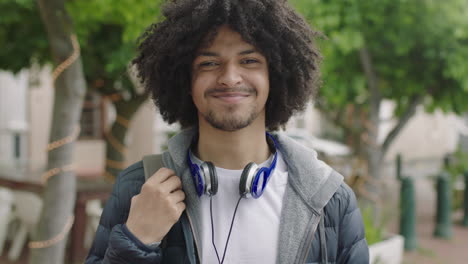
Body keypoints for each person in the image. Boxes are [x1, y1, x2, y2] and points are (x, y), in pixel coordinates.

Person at [86, 0, 369, 263]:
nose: (230, 78)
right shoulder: (137, 188)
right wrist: (136, 241)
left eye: (249, 61)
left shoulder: (331, 200)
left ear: (276, 76)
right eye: (209, 63)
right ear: (185, 80)